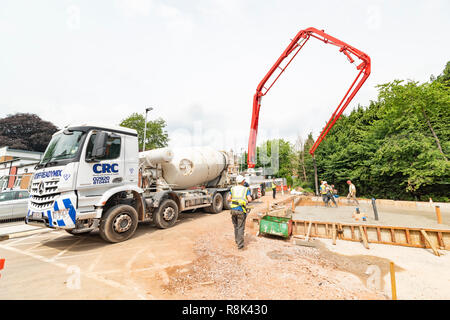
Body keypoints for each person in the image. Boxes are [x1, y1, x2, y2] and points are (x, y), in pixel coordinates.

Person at [227, 175, 253, 250]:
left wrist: (235, 201)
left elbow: (229, 199)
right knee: (241, 227)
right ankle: (240, 246)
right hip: (241, 210)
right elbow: (250, 199)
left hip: (233, 210)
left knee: (236, 226)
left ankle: (237, 240)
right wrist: (245, 201)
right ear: (242, 181)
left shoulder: (232, 189)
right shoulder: (245, 189)